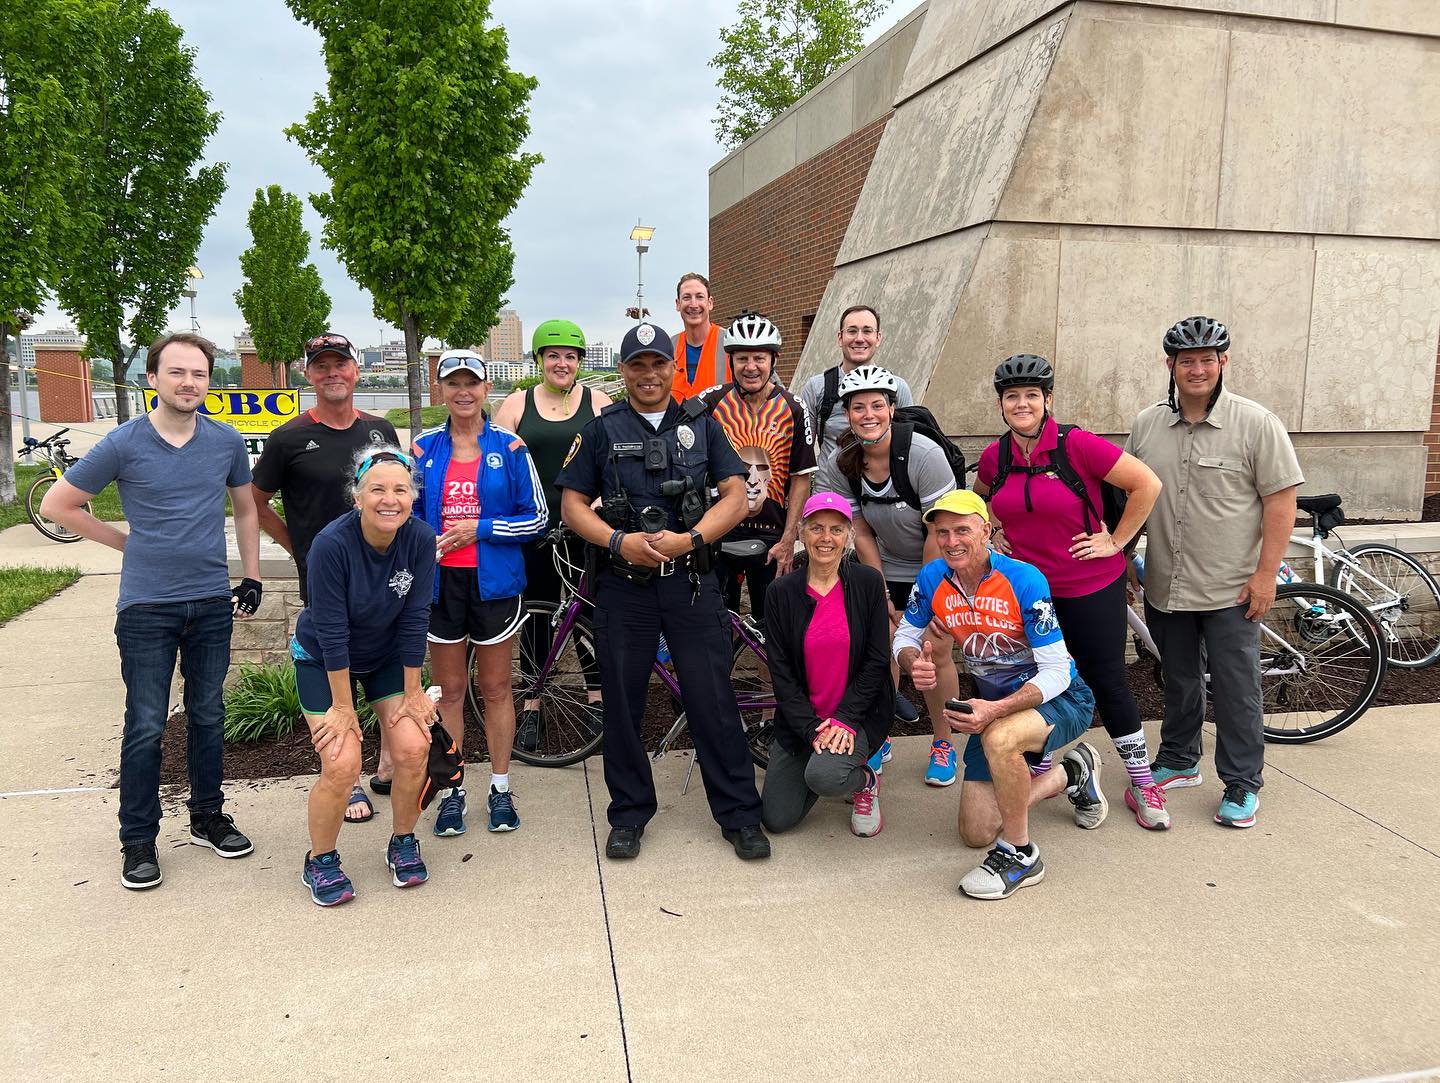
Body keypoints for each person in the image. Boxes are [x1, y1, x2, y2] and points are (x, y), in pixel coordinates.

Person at [40, 332, 262, 891]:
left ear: (210, 382)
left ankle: (208, 817)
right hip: (146, 607)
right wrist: (123, 544)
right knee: (145, 725)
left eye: (200, 374)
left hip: (211, 601)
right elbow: (57, 504)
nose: (189, 383)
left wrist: (252, 574)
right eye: (177, 373)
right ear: (152, 379)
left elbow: (245, 510)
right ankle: (138, 839)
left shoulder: (226, 442)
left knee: (208, 715)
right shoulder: (124, 442)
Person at [556, 321, 770, 861]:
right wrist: (617, 541)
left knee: (712, 699)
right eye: (637, 365)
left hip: (692, 583)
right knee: (624, 706)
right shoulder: (601, 430)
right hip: (624, 588)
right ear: (623, 371)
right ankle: (628, 814)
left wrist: (690, 538)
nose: (649, 374)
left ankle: (740, 814)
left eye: (658, 364)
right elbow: (572, 506)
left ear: (672, 369)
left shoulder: (702, 425)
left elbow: (737, 494)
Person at [974, 355, 1169, 830]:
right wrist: (991, 531)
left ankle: (1143, 782)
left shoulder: (1076, 445)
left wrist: (1115, 542)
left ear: (1048, 400)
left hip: (1090, 587)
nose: (1022, 404)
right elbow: (980, 500)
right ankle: (1053, 764)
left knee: (1107, 680)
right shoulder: (995, 456)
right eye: (1012, 397)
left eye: (1031, 396)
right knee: (1042, 683)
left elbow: (1147, 483)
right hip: (1032, 594)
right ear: (1001, 405)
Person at [1125, 316, 1302, 829]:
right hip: (1166, 585)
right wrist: (1125, 553)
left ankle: (1243, 781)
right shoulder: (1147, 424)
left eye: (1207, 359)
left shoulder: (1256, 423)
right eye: (1186, 361)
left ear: (1223, 362)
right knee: (1179, 679)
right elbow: (1134, 496)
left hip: (1231, 588)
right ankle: (1180, 759)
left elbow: (1280, 503)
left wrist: (1266, 575)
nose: (1196, 369)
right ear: (1171, 366)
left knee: (1235, 686)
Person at [895, 491, 1103, 900]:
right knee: (975, 832)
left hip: (1061, 698)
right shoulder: (932, 577)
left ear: (986, 531)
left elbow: (1058, 670)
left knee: (1000, 738)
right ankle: (1071, 774)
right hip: (990, 708)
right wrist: (909, 662)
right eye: (942, 532)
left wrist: (996, 710)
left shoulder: (1025, 579)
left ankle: (1021, 855)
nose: (951, 541)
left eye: (962, 530)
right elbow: (906, 633)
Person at [250, 330, 399, 824]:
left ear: (356, 371)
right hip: (327, 583)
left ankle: (385, 763)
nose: (332, 372)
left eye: (341, 364)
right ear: (307, 374)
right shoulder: (288, 438)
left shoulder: (381, 432)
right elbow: (254, 503)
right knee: (338, 658)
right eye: (321, 366)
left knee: (383, 662)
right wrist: (299, 547)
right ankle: (347, 777)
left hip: (382, 577)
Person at [290, 448, 438, 906]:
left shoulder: (419, 539)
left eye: (400, 490)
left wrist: (414, 693)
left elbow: (416, 618)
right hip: (325, 657)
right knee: (341, 762)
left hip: (385, 655)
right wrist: (342, 706)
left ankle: (402, 842)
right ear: (358, 497)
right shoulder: (331, 544)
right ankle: (321, 859)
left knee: (414, 748)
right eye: (377, 489)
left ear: (412, 498)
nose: (389, 499)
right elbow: (332, 631)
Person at [412, 349, 548, 836]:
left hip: (493, 584)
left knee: (495, 689)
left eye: (472, 382)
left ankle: (501, 787)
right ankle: (453, 790)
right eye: (454, 383)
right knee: (449, 692)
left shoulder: (510, 448)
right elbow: (400, 514)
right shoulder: (424, 449)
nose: (463, 392)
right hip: (440, 585)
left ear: (487, 389)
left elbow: (537, 517)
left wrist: (481, 528)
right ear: (442, 391)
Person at [812, 363, 961, 781]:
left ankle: (944, 741)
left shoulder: (923, 455)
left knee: (935, 651)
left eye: (878, 405)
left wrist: (918, 601)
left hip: (938, 564)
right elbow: (858, 528)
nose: (868, 415)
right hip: (887, 564)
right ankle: (879, 737)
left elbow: (940, 530)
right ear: (848, 414)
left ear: (892, 408)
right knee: (882, 649)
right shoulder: (845, 460)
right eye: (858, 408)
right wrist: (881, 592)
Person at [493, 319, 612, 752]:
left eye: (570, 356)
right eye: (553, 355)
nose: (562, 363)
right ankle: (533, 703)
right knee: (537, 617)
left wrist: (603, 501)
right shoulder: (516, 405)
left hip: (586, 526)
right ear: (540, 360)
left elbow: (615, 457)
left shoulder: (597, 401)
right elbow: (498, 465)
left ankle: (596, 699)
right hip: (536, 531)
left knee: (591, 616)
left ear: (580, 361)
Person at [761, 492, 894, 837]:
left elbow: (877, 660)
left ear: (849, 536)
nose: (826, 538)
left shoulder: (867, 584)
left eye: (836, 530)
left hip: (856, 717)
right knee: (776, 819)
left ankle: (864, 780)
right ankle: (821, 756)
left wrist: (846, 720)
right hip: (803, 721)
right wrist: (810, 730)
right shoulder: (781, 592)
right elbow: (781, 672)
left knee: (823, 777)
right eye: (817, 528)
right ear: (802, 533)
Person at [696, 311, 817, 625]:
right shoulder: (709, 403)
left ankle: (766, 677)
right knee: (717, 623)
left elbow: (800, 479)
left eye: (759, 358)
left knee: (772, 628)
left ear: (773, 359)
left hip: (771, 537)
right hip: (719, 529)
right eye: (742, 358)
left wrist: (790, 539)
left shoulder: (794, 407)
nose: (751, 367)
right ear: (731, 361)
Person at [799, 304, 915, 461]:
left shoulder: (897, 387)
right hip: (830, 484)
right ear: (840, 338)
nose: (859, 339)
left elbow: (908, 445)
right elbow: (802, 451)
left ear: (878, 338)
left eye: (867, 331)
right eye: (852, 331)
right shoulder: (817, 387)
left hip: (882, 484)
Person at [670, 272, 727, 401]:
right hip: (677, 421)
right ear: (678, 304)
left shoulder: (730, 342)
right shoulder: (668, 347)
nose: (694, 304)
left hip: (720, 420)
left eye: (700, 297)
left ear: (710, 303)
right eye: (686, 297)